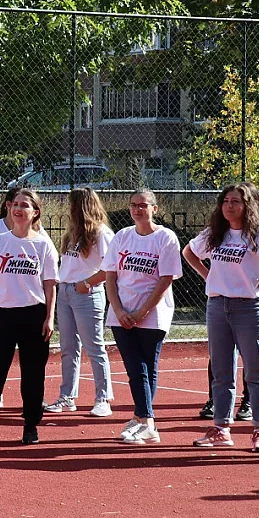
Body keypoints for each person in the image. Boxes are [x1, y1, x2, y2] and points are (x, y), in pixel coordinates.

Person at [0, 188, 58, 447]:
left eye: (25, 205)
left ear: (35, 212)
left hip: (33, 314)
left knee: (33, 372)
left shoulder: (43, 244)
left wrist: (49, 318)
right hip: (2, 315)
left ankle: (30, 426)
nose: (18, 209)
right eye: (15, 204)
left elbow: (50, 284)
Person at [182, 183, 259, 451]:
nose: (229, 206)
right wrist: (208, 276)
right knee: (222, 371)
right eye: (225, 201)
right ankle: (221, 429)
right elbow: (189, 252)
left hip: (249, 306)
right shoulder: (216, 232)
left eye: (236, 201)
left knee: (255, 370)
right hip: (218, 305)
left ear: (249, 205)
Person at [103, 189, 183, 446]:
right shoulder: (122, 236)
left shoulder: (166, 237)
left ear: (154, 209)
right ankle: (144, 420)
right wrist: (118, 310)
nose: (138, 209)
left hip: (152, 313)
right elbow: (110, 276)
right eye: (133, 205)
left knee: (147, 367)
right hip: (122, 314)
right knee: (135, 367)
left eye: (143, 205)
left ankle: (144, 420)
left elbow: (165, 279)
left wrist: (142, 311)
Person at [45, 188, 115, 417]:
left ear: (82, 206)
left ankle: (103, 398)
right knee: (68, 348)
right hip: (66, 291)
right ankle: (67, 397)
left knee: (94, 347)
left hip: (86, 293)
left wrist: (86, 283)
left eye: (72, 204)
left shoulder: (102, 233)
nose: (68, 209)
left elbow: (111, 267)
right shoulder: (72, 233)